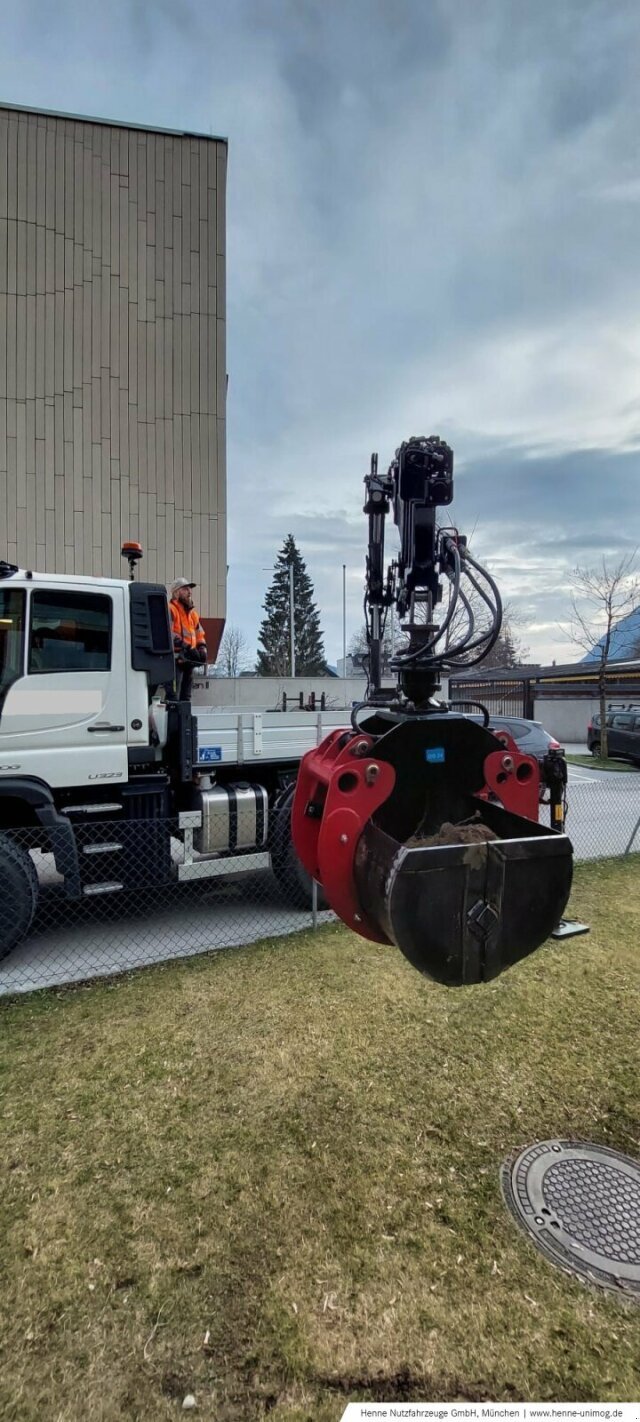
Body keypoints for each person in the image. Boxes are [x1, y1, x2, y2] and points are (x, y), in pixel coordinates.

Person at [167, 578, 208, 702]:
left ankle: (184, 719)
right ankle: (172, 720)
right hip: (174, 659)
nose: (189, 591)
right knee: (174, 696)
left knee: (186, 697)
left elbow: (199, 634)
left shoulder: (192, 615)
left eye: (190, 589)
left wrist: (202, 649)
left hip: (188, 659)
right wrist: (185, 646)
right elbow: (167, 633)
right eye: (185, 589)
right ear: (176, 592)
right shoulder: (170, 609)